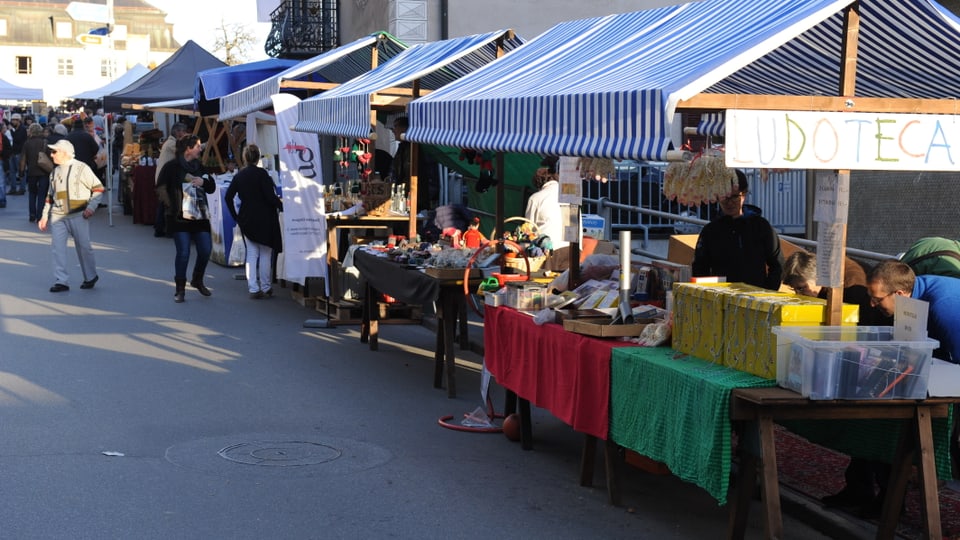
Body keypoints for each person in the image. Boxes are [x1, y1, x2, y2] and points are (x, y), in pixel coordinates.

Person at [783, 250, 895, 516]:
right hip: (862, 353)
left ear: (818, 279)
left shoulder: (852, 292)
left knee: (873, 429)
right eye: (795, 290)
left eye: (802, 289)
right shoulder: (828, 281)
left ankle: (888, 498)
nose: (800, 295)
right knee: (861, 430)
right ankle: (859, 487)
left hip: (875, 357)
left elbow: (864, 336)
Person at [691, 169, 783, 290]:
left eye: (734, 197)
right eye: (725, 197)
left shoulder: (761, 226)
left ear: (744, 194)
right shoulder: (710, 231)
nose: (729, 203)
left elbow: (777, 264)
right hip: (721, 299)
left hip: (757, 298)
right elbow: (699, 268)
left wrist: (767, 291)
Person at [37, 139, 104, 292]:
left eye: (55, 152)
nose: (52, 155)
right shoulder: (54, 172)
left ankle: (90, 276)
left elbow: (98, 189)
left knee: (84, 247)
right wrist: (45, 216)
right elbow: (50, 196)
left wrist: (91, 208)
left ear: (65, 153)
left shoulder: (82, 168)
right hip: (58, 215)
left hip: (79, 214)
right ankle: (61, 281)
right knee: (57, 248)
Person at [155, 135, 216, 303]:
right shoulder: (172, 167)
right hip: (179, 218)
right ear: (188, 149)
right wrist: (171, 206)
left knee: (205, 249)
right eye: (197, 146)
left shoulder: (199, 167)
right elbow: (160, 187)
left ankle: (197, 279)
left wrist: (203, 182)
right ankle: (180, 289)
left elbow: (211, 187)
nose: (200, 148)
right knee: (183, 253)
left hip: (199, 217)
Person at [867, 260, 960, 363]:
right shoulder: (914, 292)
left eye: (877, 299)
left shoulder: (943, 306)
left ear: (899, 294)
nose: (872, 304)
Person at [225, 145, 283, 299]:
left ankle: (253, 288)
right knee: (265, 253)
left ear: (245, 158)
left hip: (247, 217)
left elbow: (228, 197)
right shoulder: (263, 174)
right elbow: (271, 197)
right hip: (265, 217)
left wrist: (235, 216)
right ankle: (266, 286)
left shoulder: (239, 176)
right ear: (258, 157)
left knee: (251, 253)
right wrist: (282, 206)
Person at [388, 116, 437, 215]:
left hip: (416, 199)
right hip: (402, 198)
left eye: (396, 126)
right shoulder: (402, 148)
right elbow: (396, 171)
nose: (393, 130)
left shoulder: (417, 148)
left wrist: (426, 197)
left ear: (405, 128)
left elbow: (430, 174)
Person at [154, 122, 189, 237]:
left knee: (163, 203)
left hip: (163, 177)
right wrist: (201, 145)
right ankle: (162, 229)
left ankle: (159, 228)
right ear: (177, 132)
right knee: (166, 203)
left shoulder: (171, 142)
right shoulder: (171, 144)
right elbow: (185, 153)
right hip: (164, 179)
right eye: (183, 132)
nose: (185, 134)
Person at [20, 123, 51, 223]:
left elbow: (23, 159)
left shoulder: (27, 143)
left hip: (32, 171)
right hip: (44, 171)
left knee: (32, 193)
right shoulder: (45, 142)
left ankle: (32, 215)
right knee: (42, 194)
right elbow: (50, 157)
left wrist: (21, 171)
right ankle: (40, 215)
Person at [8, 112, 27, 195]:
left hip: (19, 153)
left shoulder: (22, 129)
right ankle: (13, 188)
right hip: (13, 153)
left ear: (18, 121)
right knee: (12, 171)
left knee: (21, 171)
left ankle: (22, 189)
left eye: (14, 120)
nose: (12, 122)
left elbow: (17, 139)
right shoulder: (16, 129)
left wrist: (11, 130)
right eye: (12, 120)